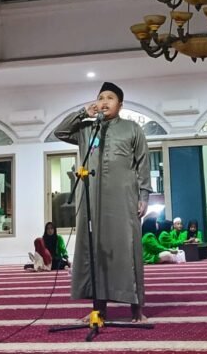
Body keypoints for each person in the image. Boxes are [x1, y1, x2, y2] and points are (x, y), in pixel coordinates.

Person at [54, 81, 151, 323]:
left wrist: (144, 196)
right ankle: (99, 310)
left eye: (110, 98)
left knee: (127, 250)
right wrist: (82, 113)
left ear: (120, 104)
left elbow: (143, 163)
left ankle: (136, 310)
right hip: (92, 201)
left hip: (124, 199)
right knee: (95, 251)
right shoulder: (87, 130)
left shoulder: (132, 129)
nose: (104, 102)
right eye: (100, 97)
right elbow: (60, 132)